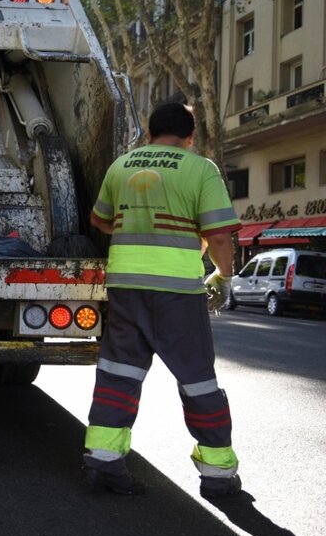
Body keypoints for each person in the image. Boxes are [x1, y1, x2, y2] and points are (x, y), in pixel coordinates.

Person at [82, 102, 242, 499]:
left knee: (118, 374)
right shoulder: (200, 168)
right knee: (198, 380)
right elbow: (220, 236)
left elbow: (99, 219)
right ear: (190, 138)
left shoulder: (122, 166)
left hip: (125, 287)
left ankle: (103, 462)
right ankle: (218, 475)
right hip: (178, 292)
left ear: (149, 133)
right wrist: (223, 275)